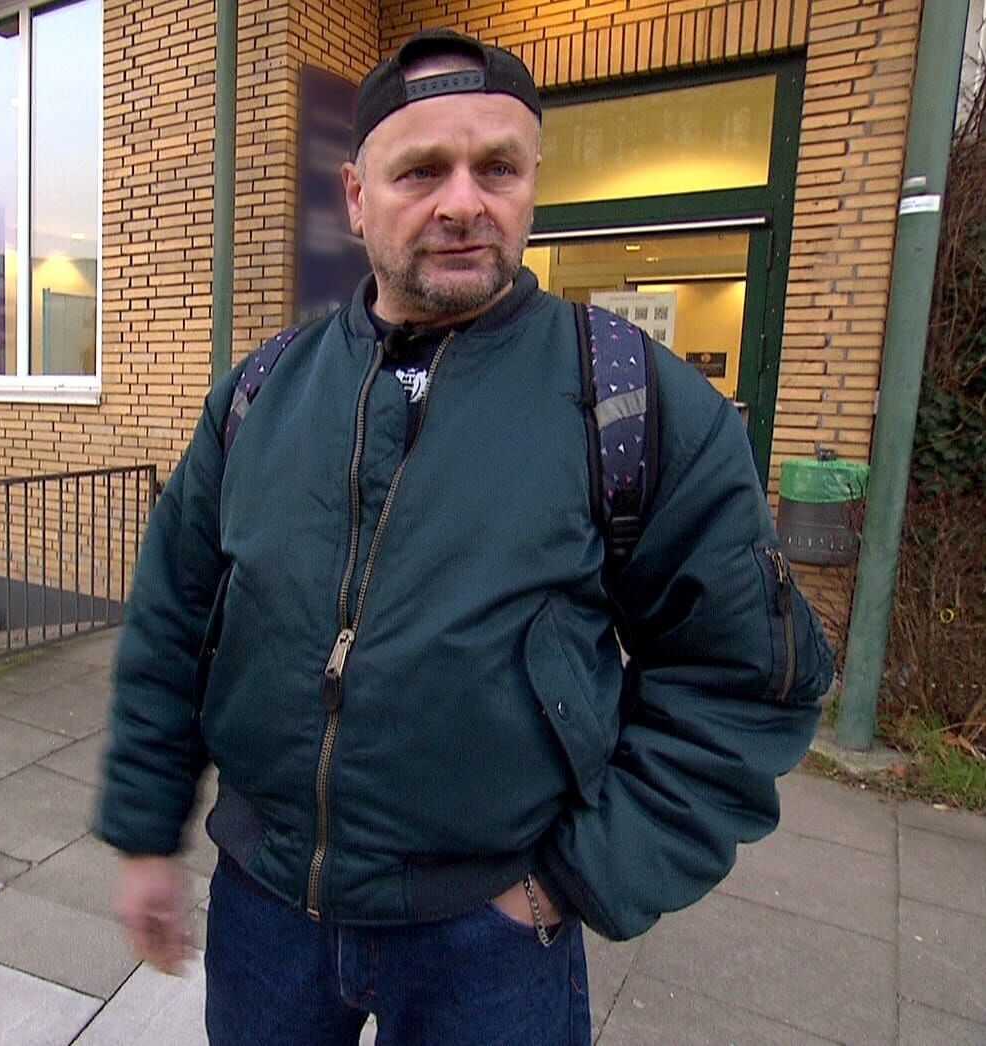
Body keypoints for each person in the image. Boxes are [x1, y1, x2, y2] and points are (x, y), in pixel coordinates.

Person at [95, 28, 833, 1046]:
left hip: (490, 944)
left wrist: (574, 880)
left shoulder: (631, 401)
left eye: (496, 168)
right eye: (421, 171)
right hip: (268, 913)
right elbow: (170, 623)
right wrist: (144, 831)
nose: (462, 202)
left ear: (532, 183)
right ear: (356, 197)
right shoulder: (260, 396)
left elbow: (745, 680)